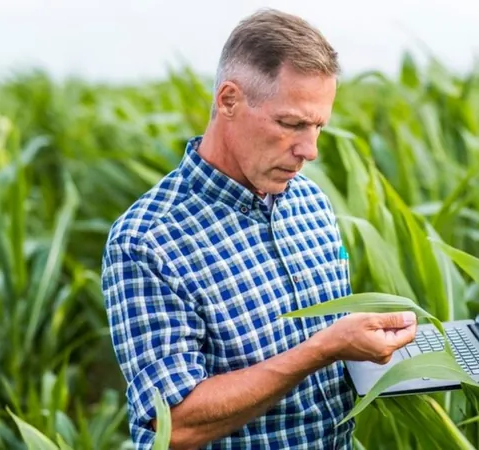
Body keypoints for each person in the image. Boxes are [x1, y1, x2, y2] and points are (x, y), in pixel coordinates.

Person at [101, 8, 418, 450]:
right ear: (228, 100)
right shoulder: (148, 240)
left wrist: (394, 350)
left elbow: (330, 344)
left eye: (318, 126)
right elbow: (174, 425)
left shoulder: (310, 202)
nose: (309, 150)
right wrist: (321, 349)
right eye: (290, 124)